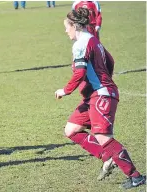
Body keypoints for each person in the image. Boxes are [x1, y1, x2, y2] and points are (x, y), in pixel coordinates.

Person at [55, 7, 145, 189]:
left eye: (66, 27)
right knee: (71, 130)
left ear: (74, 26)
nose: (65, 31)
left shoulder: (80, 44)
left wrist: (65, 90)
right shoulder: (93, 40)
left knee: (104, 138)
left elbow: (79, 72)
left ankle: (136, 176)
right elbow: (110, 60)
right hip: (93, 95)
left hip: (101, 96)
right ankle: (106, 157)